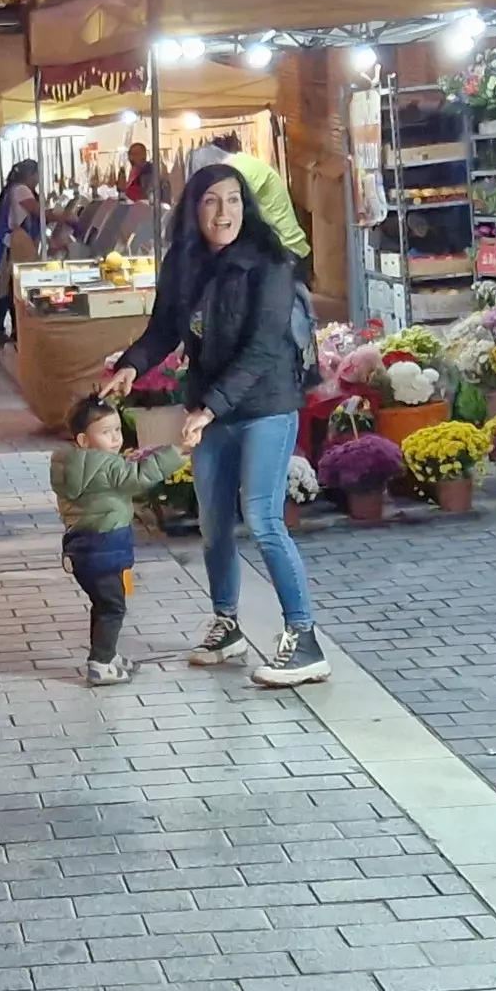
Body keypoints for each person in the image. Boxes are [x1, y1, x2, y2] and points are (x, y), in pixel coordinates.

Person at [110, 164, 332, 686]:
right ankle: (226, 625)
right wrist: (131, 366)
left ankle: (304, 640)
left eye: (233, 200)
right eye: (211, 200)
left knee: (263, 519)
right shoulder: (184, 262)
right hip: (211, 408)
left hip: (266, 405)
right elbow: (164, 328)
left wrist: (208, 408)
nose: (223, 212)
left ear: (245, 206)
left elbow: (262, 348)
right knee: (213, 524)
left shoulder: (270, 261)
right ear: (194, 209)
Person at [52, 397, 193, 685]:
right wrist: (176, 453)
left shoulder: (70, 464)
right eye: (106, 432)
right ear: (84, 439)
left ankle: (107, 653)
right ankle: (100, 664)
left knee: (102, 605)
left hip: (82, 549)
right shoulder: (105, 465)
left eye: (117, 429)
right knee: (113, 608)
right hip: (106, 548)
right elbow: (138, 477)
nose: (116, 438)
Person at [212, 132, 309, 260]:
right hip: (284, 246)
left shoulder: (241, 170)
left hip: (285, 249)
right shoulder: (244, 163)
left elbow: (235, 215)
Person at [0, 159, 46, 343]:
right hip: (16, 246)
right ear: (31, 175)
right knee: (13, 289)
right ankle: (6, 330)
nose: (38, 180)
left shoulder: (12, 189)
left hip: (11, 245)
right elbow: (40, 213)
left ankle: (7, 330)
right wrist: (66, 217)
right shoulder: (21, 190)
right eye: (37, 175)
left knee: (9, 288)